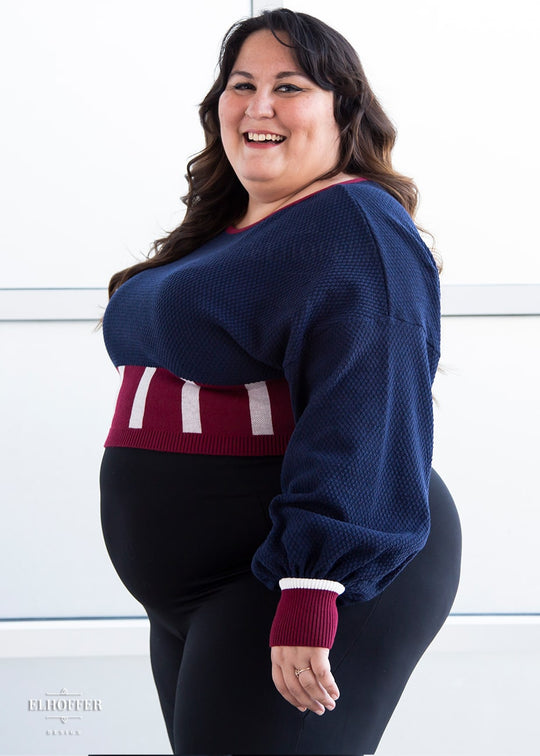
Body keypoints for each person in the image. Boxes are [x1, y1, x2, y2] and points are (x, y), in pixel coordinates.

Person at [99, 8, 462, 755]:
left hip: (294, 570)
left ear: (342, 108)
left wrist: (311, 587)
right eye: (242, 85)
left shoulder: (354, 223)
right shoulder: (234, 227)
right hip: (200, 588)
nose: (258, 106)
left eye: (288, 86)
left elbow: (369, 404)